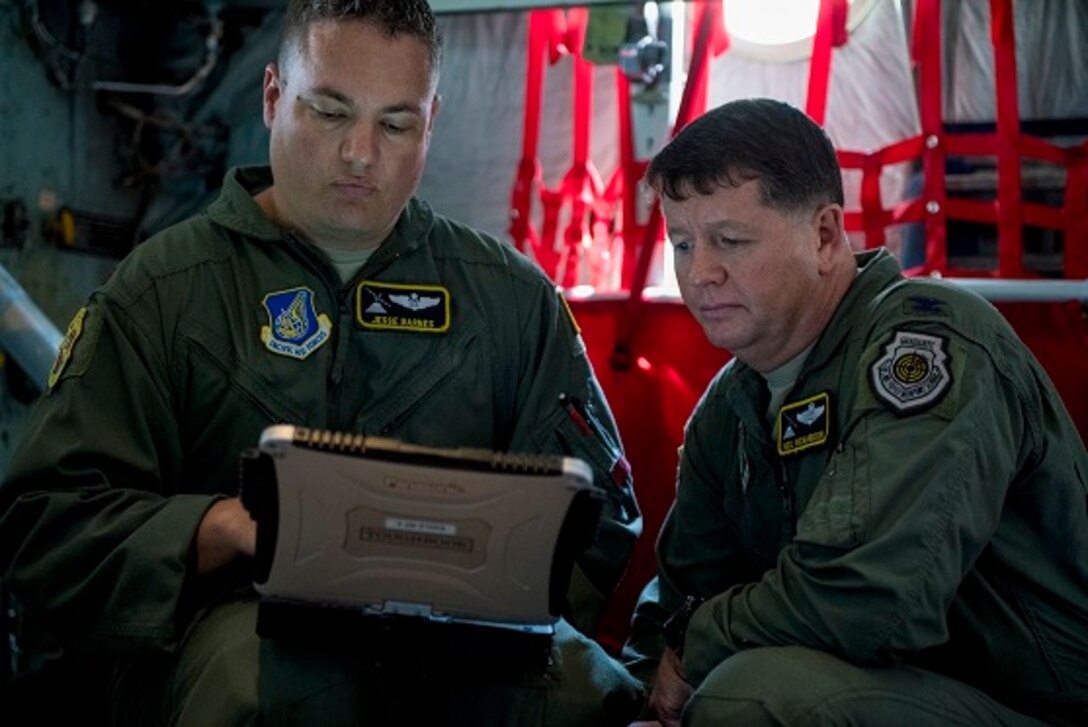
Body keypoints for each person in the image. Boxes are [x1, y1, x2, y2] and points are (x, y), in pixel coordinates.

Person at [0, 1, 644, 724]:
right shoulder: (162, 292)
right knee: (283, 688)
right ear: (274, 97)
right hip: (230, 637)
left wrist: (486, 584)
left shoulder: (515, 303)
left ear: (431, 122)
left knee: (589, 692)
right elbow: (44, 523)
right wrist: (221, 528)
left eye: (395, 124)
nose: (361, 153)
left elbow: (601, 521)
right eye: (331, 113)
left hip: (467, 641)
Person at [623, 97, 1088, 726]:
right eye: (682, 244)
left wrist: (697, 643)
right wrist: (647, 690)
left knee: (752, 697)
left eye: (730, 240)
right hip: (898, 692)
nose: (700, 273)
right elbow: (678, 605)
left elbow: (865, 601)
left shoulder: (930, 344)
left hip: (1037, 707)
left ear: (823, 235)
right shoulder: (729, 412)